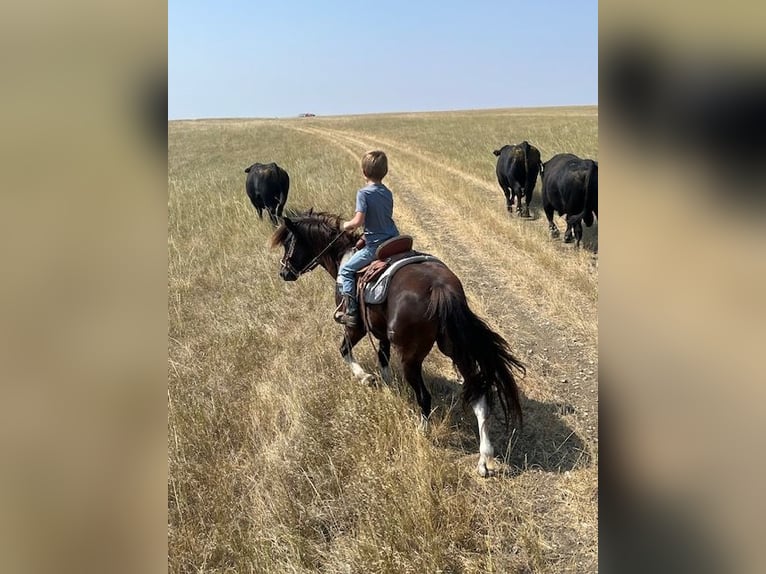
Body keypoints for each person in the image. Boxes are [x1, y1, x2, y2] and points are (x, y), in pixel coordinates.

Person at [336, 150, 399, 327]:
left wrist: (346, 225)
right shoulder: (387, 192)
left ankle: (352, 312)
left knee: (346, 271)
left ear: (364, 172)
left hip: (376, 247)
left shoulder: (363, 193)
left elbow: (358, 221)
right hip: (394, 240)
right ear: (385, 172)